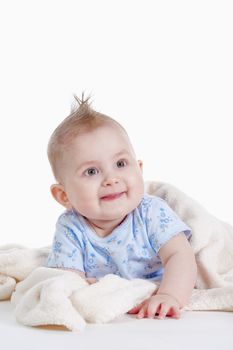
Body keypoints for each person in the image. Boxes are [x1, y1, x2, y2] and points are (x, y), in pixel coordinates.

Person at [46, 94, 197, 320]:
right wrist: (79, 288)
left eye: (120, 164)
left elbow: (180, 255)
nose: (111, 179)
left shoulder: (151, 213)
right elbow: (67, 279)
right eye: (91, 171)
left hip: (157, 290)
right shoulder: (71, 227)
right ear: (64, 195)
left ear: (139, 169)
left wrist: (170, 296)